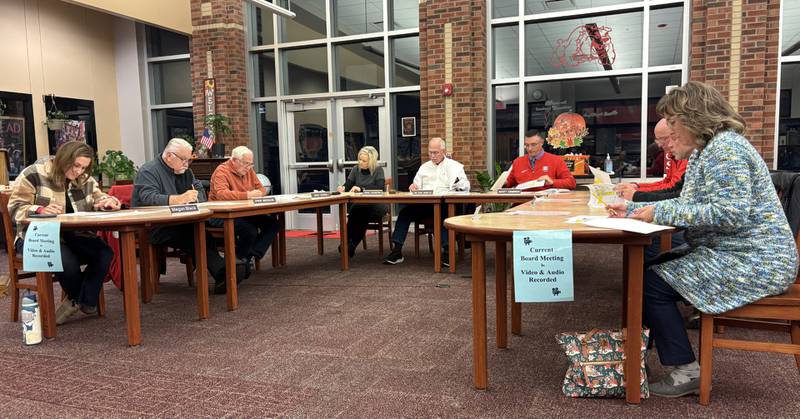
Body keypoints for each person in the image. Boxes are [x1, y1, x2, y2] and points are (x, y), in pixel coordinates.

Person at [606, 81, 798, 397]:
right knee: (650, 269)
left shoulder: (727, 150)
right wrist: (633, 207)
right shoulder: (706, 152)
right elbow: (687, 204)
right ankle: (641, 358)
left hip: (758, 261)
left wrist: (656, 213)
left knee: (653, 283)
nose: (669, 128)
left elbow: (730, 213)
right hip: (734, 251)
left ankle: (686, 372)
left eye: (673, 120)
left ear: (695, 117)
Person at [8, 141, 120, 325]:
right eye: (76, 165)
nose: (78, 171)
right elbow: (14, 208)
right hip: (37, 236)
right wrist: (40, 210)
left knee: (104, 253)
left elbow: (100, 196)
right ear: (63, 159)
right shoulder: (34, 173)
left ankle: (77, 301)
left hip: (74, 235)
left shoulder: (84, 178)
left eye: (83, 167)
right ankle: (84, 300)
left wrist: (107, 202)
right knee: (65, 260)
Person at [132, 138, 244, 295]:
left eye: (189, 159)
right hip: (153, 226)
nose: (187, 164)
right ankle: (224, 270)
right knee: (192, 234)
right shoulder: (149, 171)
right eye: (184, 159)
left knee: (202, 231)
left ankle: (223, 272)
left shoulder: (185, 171)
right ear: (170, 156)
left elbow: (197, 188)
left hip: (179, 221)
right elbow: (148, 198)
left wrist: (195, 197)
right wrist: (179, 199)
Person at [383, 137, 469, 266]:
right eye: (430, 152)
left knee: (444, 215)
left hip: (445, 204)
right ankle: (397, 250)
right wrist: (413, 187)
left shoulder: (455, 166)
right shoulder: (424, 167)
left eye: (436, 152)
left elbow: (466, 187)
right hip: (426, 204)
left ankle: (447, 252)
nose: (432, 156)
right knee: (405, 213)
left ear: (443, 151)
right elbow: (416, 186)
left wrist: (458, 184)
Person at [209, 146, 280, 277]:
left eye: (251, 164)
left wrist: (257, 193)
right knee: (249, 230)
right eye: (246, 163)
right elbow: (221, 195)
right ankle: (241, 261)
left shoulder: (248, 170)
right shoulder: (221, 171)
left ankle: (248, 256)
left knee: (273, 224)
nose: (248, 167)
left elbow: (261, 189)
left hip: (243, 212)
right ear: (234, 160)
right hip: (221, 214)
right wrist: (247, 195)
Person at [614, 119, 687, 199]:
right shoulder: (672, 155)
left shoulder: (685, 157)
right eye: (658, 140)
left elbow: (672, 188)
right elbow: (668, 183)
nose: (660, 145)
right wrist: (637, 187)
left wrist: (637, 194)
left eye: (664, 139)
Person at [336, 146, 388, 258]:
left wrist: (361, 188)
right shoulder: (355, 169)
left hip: (378, 205)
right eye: (359, 159)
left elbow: (379, 187)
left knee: (361, 210)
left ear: (372, 161)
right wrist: (342, 188)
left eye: (364, 160)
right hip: (360, 206)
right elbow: (348, 185)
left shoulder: (378, 170)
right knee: (356, 210)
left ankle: (350, 244)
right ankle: (348, 243)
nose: (360, 162)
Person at [504, 130, 576, 191]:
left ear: (542, 142)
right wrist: (503, 183)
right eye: (526, 145)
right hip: (520, 205)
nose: (529, 149)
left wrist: (552, 182)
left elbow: (571, 183)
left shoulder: (556, 160)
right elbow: (508, 183)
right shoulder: (517, 162)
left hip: (546, 205)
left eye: (533, 145)